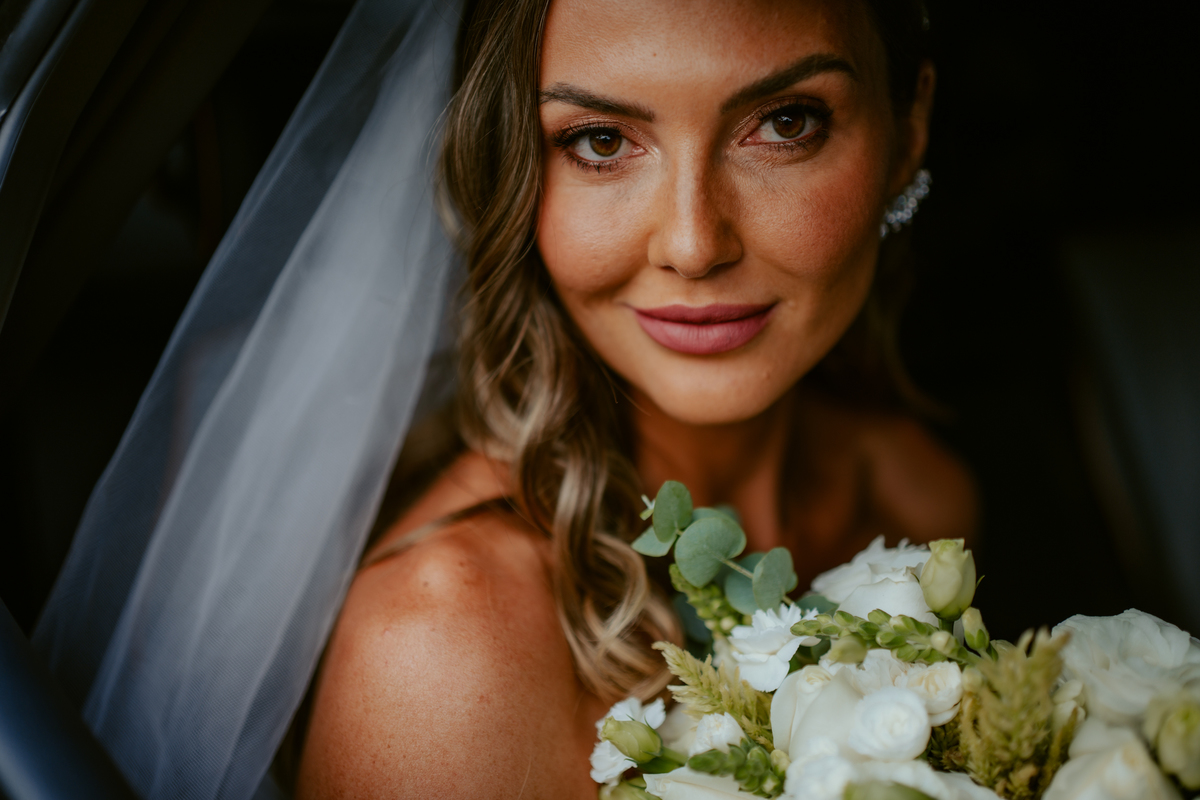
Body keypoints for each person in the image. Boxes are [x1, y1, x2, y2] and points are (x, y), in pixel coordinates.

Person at [293, 0, 975, 796]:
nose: (692, 244)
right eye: (601, 142)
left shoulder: (918, 507)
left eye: (785, 123)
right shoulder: (442, 649)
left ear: (909, 127)